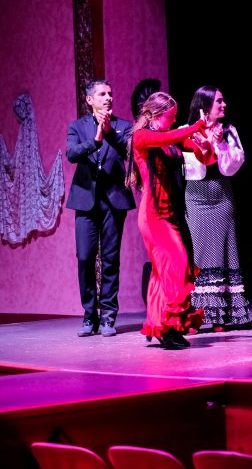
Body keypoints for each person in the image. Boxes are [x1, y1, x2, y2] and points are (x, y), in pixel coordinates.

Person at [126, 92, 206, 349]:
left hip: (173, 214)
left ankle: (163, 327)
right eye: (170, 116)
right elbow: (173, 135)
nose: (173, 121)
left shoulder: (169, 142)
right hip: (153, 216)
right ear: (155, 114)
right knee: (178, 265)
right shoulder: (143, 137)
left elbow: (204, 157)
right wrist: (194, 127)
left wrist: (205, 145)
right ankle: (168, 327)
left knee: (163, 273)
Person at [66, 79, 135, 337]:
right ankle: (88, 316)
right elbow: (71, 154)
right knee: (84, 257)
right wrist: (95, 141)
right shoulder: (77, 126)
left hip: (113, 201)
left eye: (110, 93)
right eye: (102, 94)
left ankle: (107, 316)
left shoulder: (123, 126)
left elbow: (129, 152)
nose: (108, 98)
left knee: (110, 259)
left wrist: (108, 134)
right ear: (89, 100)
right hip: (85, 201)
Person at [182, 86, 249, 333]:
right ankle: (198, 315)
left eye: (223, 101)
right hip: (197, 198)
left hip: (221, 195)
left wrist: (219, 145)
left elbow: (233, 166)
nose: (224, 105)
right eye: (219, 101)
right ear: (204, 104)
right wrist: (205, 143)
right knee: (200, 255)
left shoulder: (229, 131)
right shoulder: (186, 131)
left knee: (224, 251)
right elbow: (191, 168)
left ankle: (221, 315)